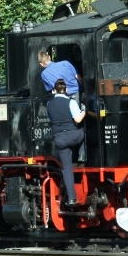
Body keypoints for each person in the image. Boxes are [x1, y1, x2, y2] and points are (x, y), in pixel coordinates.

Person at [47, 78, 85, 206]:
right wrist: (84, 110)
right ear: (66, 90)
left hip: (60, 139)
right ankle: (81, 154)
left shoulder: (49, 104)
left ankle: (72, 199)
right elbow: (78, 119)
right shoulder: (71, 102)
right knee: (84, 131)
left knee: (67, 169)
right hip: (74, 136)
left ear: (54, 91)